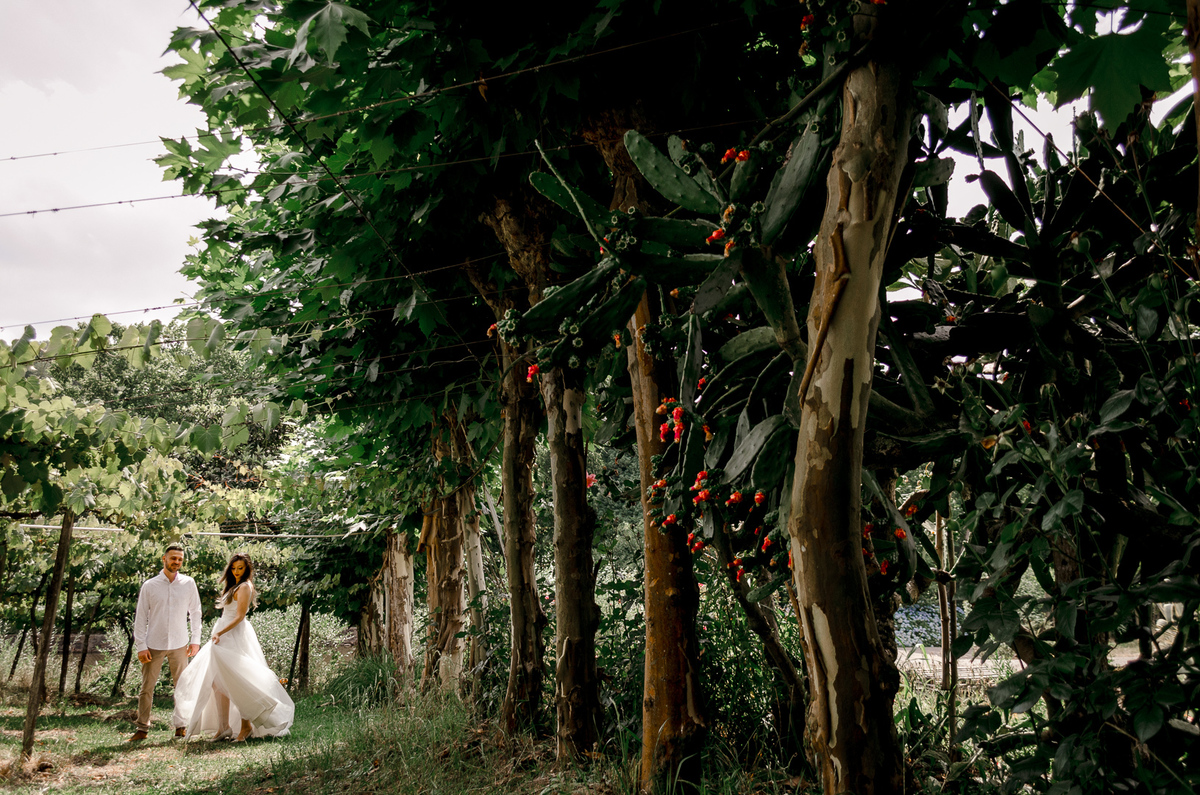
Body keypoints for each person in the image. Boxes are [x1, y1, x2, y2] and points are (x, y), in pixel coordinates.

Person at [172, 553, 295, 741]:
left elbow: (240, 616)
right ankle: (224, 727)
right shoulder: (233, 586)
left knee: (239, 679)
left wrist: (220, 633)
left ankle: (246, 726)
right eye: (234, 568)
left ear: (247, 569)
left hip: (234, 635)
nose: (236, 572)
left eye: (240, 568)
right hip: (222, 634)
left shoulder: (245, 586)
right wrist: (219, 632)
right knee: (216, 680)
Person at [130, 544, 203, 742]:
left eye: (180, 559)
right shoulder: (150, 585)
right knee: (147, 688)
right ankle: (142, 728)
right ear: (164, 559)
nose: (176, 562)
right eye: (173, 558)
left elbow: (196, 612)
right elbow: (140, 617)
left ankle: (181, 727)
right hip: (153, 644)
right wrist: (141, 646)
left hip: (180, 643)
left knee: (182, 686)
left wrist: (195, 640)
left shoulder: (188, 583)